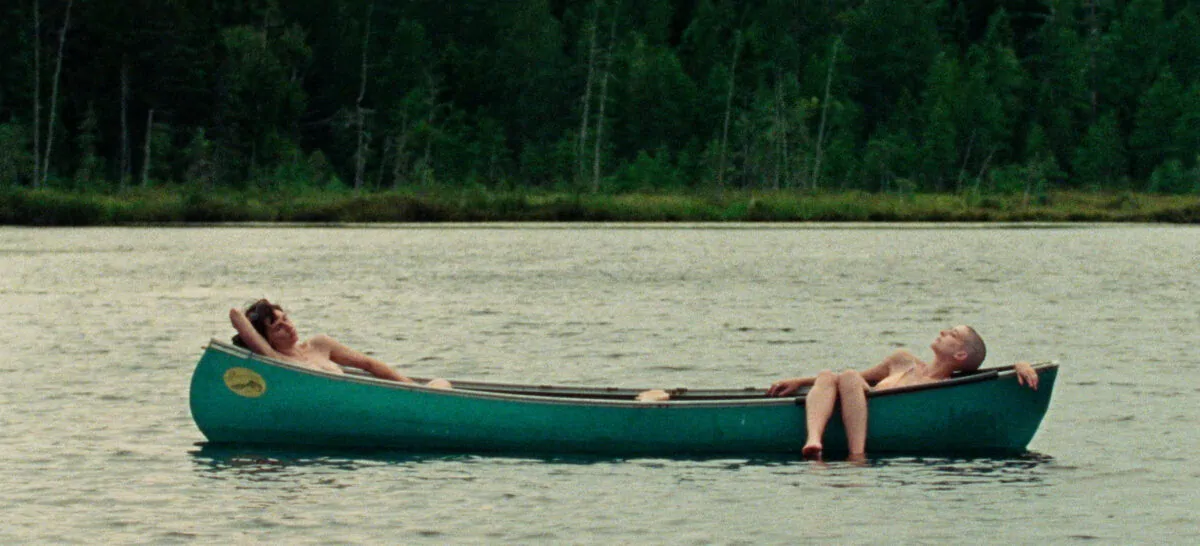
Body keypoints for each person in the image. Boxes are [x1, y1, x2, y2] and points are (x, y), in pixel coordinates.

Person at [766, 325, 1038, 459]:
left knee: (846, 377)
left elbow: (989, 377)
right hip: (855, 395)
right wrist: (798, 381)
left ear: (960, 353)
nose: (943, 331)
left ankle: (856, 456)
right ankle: (814, 440)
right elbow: (859, 377)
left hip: (860, 404)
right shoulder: (902, 360)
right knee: (831, 376)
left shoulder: (948, 386)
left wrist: (1020, 365)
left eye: (952, 334)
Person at [230, 298, 451, 388]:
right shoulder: (275, 358)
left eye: (285, 318)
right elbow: (235, 316)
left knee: (440, 384)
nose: (287, 326)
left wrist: (412, 388)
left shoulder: (319, 344)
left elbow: (370, 365)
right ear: (266, 339)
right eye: (277, 327)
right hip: (346, 408)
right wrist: (260, 313)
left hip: (367, 402)